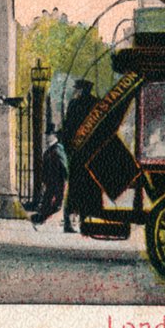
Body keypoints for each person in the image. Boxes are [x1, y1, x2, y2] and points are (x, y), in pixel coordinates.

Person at [60, 79, 98, 234]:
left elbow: (68, 127)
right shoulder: (97, 104)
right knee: (89, 187)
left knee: (75, 189)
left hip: (77, 152)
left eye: (78, 89)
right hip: (91, 152)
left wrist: (67, 146)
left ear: (82, 90)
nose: (76, 91)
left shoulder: (74, 104)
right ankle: (84, 222)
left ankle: (69, 222)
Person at [30, 124, 68, 229]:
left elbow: (64, 166)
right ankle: (39, 220)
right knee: (47, 202)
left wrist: (66, 179)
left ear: (54, 136)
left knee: (57, 204)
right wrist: (44, 180)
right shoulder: (49, 150)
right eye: (46, 134)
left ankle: (39, 219)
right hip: (50, 182)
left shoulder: (58, 149)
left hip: (59, 182)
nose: (46, 137)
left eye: (49, 134)